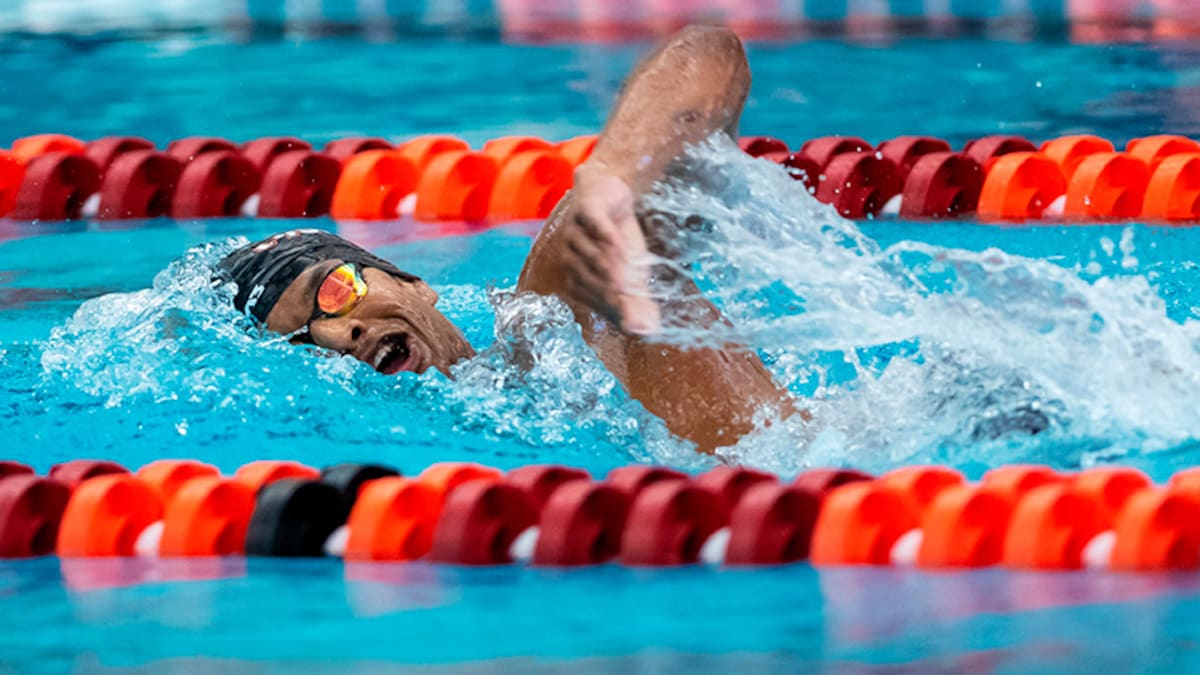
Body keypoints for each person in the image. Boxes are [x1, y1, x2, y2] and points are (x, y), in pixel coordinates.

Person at [216, 25, 797, 453]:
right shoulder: (458, 445)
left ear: (414, 282)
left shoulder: (553, 319)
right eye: (302, 342)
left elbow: (707, 55)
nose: (340, 334)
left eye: (335, 291)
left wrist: (617, 175)